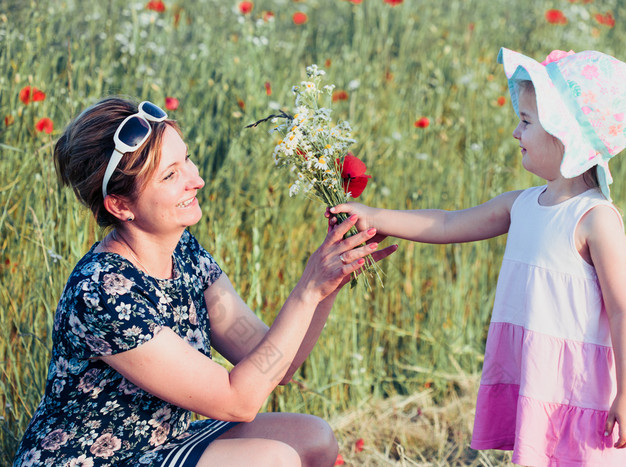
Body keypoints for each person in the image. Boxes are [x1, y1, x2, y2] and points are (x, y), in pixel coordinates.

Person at [13, 97, 397, 467]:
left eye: (187, 160)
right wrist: (307, 287)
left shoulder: (184, 252)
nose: (195, 180)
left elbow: (279, 365)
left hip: (159, 445)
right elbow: (239, 401)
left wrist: (328, 283)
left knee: (313, 439)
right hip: (95, 461)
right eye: (170, 175)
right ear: (120, 205)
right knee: (272, 461)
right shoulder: (102, 292)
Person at [330, 47, 626, 465]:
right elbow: (445, 224)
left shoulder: (595, 219)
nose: (516, 133)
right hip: (537, 375)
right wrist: (374, 216)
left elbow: (624, 311)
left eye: (526, 122)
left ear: (564, 133)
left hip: (579, 386)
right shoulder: (521, 203)